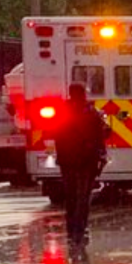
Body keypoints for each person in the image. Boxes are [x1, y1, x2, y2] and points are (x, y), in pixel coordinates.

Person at [54, 82, 111, 244]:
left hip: (67, 160)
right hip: (86, 160)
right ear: (83, 94)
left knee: (70, 196)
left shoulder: (61, 112)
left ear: (71, 94)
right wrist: (101, 154)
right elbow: (102, 134)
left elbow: (55, 134)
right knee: (83, 197)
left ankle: (71, 229)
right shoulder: (91, 112)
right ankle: (81, 228)